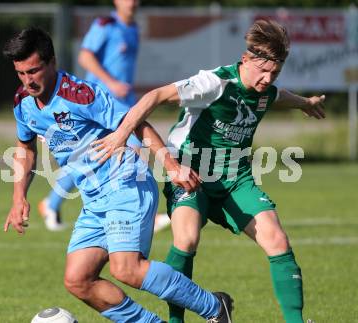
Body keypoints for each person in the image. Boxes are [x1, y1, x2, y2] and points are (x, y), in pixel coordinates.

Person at [91, 19, 325, 323]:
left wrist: (306, 103)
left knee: (277, 241)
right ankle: (177, 321)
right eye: (263, 71)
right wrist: (123, 133)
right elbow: (154, 97)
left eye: (275, 73)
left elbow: (279, 97)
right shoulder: (214, 83)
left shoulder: (265, 91)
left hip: (235, 180)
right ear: (246, 60)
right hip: (191, 174)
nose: (268, 79)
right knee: (186, 240)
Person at [3, 27, 233, 323]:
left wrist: (172, 166)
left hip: (125, 182)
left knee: (127, 268)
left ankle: (215, 308)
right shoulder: (22, 102)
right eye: (20, 73)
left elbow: (137, 123)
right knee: (78, 279)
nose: (27, 80)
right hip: (94, 197)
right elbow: (26, 148)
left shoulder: (80, 95)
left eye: (33, 71)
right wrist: (18, 196)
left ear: (51, 62)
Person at [36, 0, 177, 232]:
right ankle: (144, 215)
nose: (132, 2)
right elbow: (85, 57)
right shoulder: (105, 25)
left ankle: (51, 203)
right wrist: (111, 82)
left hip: (123, 104)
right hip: (97, 106)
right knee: (121, 153)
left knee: (102, 156)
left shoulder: (133, 28)